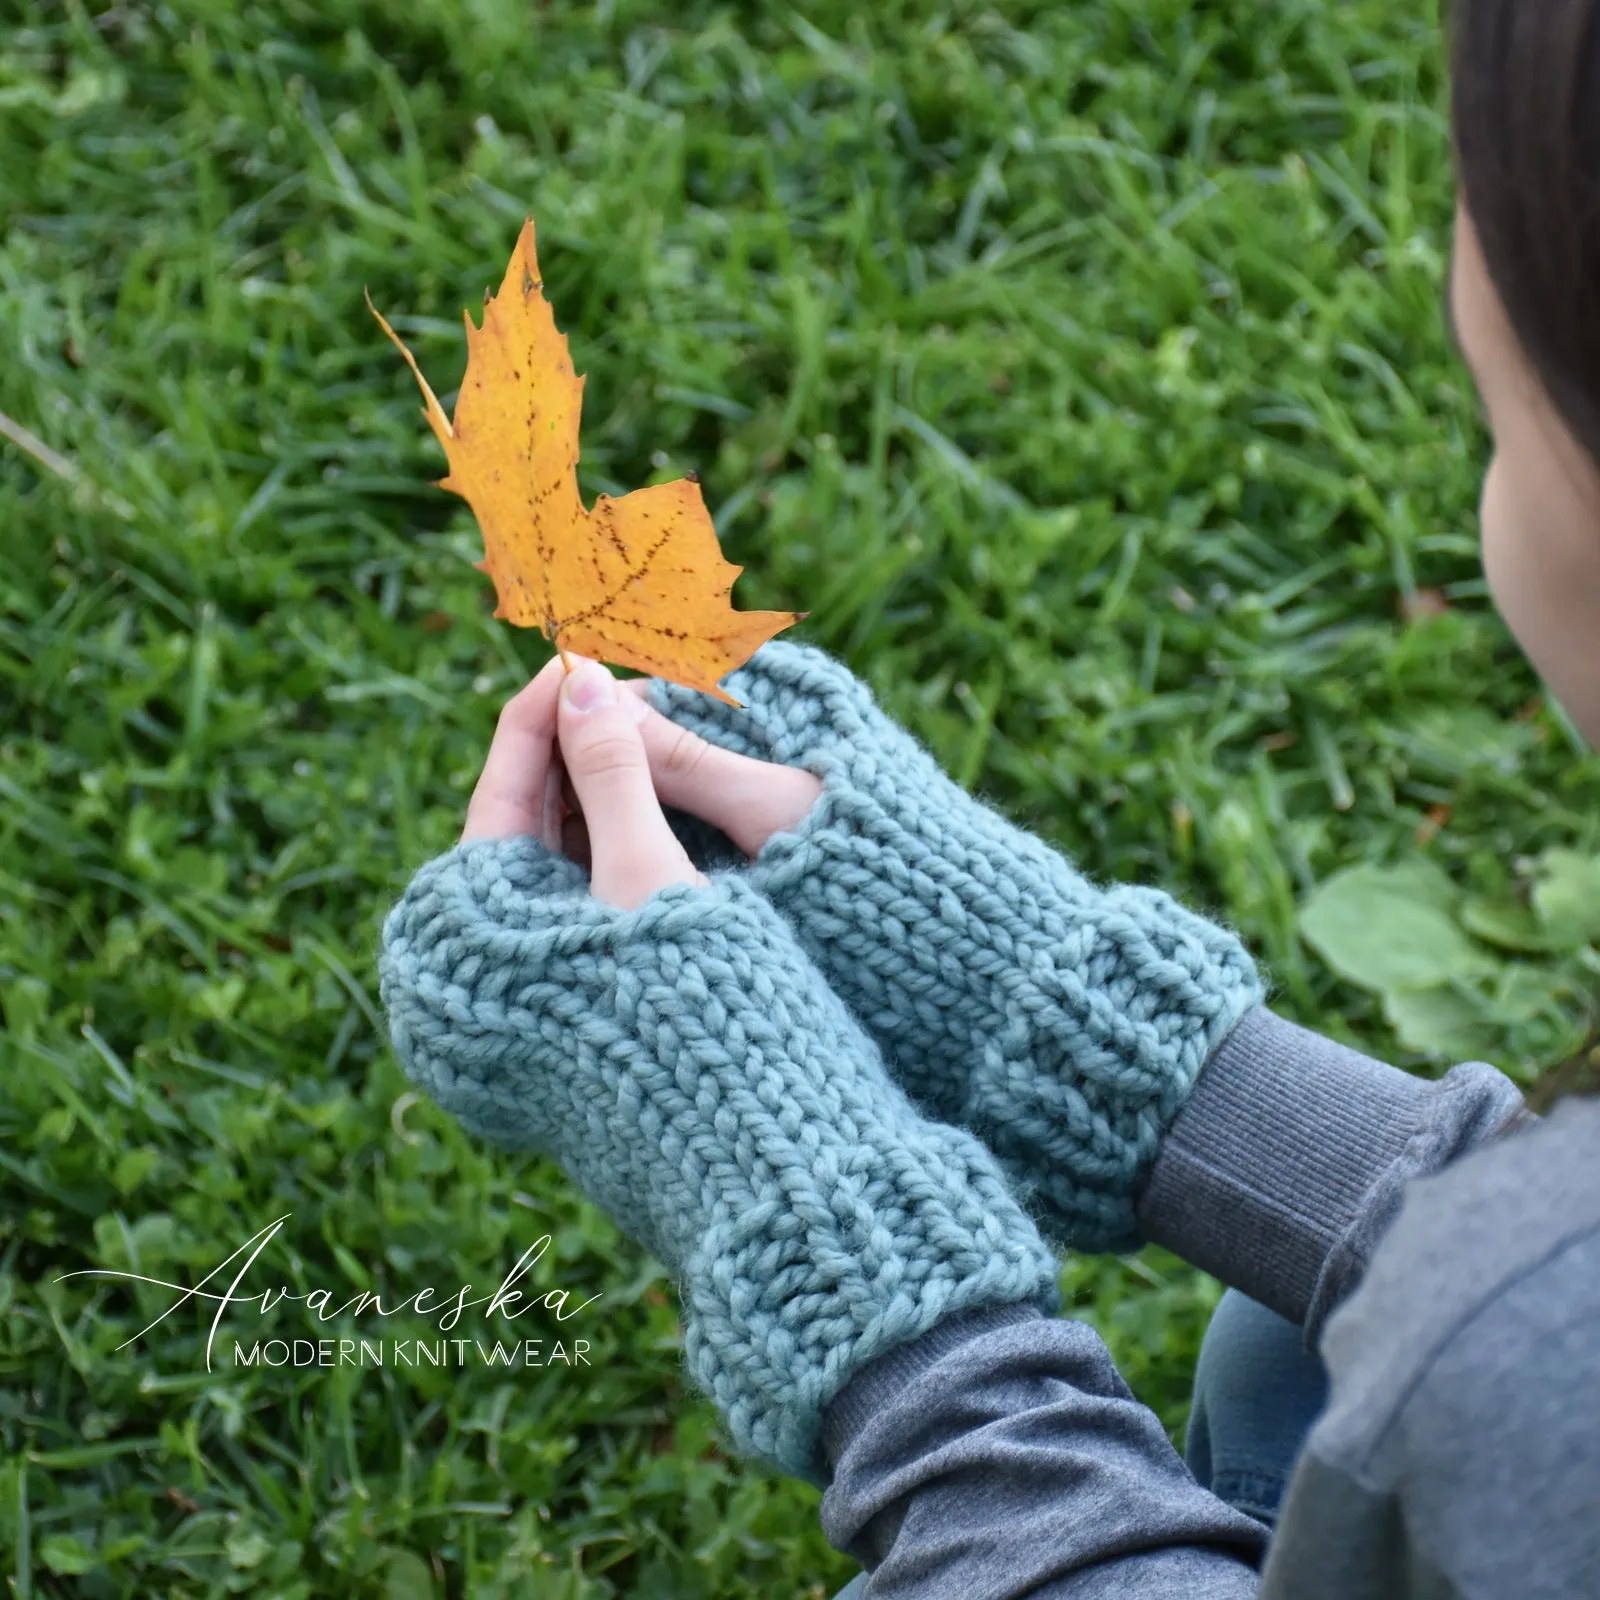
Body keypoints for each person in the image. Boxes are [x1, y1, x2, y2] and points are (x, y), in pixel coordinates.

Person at [375, 1, 1600, 1592]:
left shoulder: (1510, 1364)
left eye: (1494, 421)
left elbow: (1538, 1332)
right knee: (1284, 1364)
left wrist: (840, 1244)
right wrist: (1094, 1027)